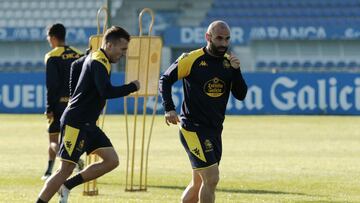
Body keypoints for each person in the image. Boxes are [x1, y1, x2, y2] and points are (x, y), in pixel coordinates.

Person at [36, 26, 140, 203]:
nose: (123, 54)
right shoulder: (98, 61)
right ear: (109, 44)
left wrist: (73, 95)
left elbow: (75, 66)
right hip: (76, 123)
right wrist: (132, 87)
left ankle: (67, 186)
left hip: (88, 124)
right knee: (65, 169)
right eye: (122, 49)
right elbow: (106, 91)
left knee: (111, 160)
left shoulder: (96, 57)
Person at [159, 20, 248, 203]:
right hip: (193, 129)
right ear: (208, 37)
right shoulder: (191, 59)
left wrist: (237, 71)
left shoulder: (228, 63)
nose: (223, 43)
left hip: (215, 130)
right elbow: (165, 79)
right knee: (212, 178)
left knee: (198, 183)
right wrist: (169, 108)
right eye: (219, 39)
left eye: (227, 39)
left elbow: (241, 95)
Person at [42, 23, 83, 180]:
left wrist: (49, 107)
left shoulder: (52, 56)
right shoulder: (78, 54)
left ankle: (73, 160)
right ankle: (48, 170)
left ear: (53, 37)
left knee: (53, 140)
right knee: (69, 138)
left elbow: (52, 85)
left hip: (58, 104)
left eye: (48, 38)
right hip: (75, 103)